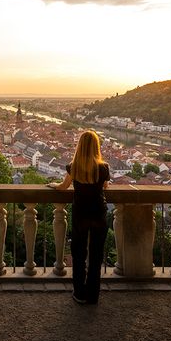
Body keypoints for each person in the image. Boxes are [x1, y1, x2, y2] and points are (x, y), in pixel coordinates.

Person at [48, 130, 111, 305]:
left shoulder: (74, 166)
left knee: (79, 254)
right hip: (99, 213)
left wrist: (54, 185)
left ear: (80, 146)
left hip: (81, 214)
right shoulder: (103, 167)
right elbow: (105, 186)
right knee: (96, 256)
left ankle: (79, 293)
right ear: (96, 146)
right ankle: (93, 295)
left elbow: (63, 186)